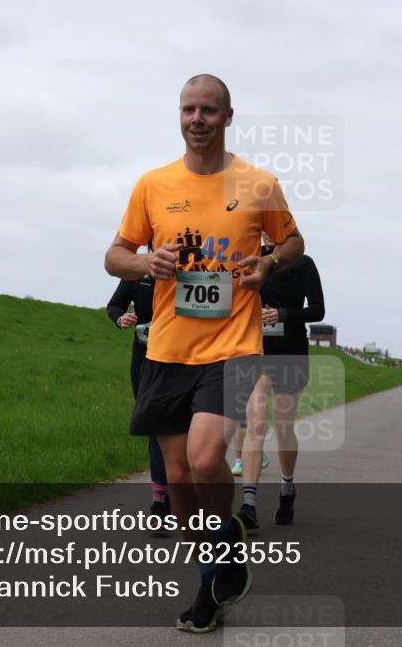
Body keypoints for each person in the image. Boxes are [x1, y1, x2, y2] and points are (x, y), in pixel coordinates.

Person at [104, 74, 304, 634]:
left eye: (209, 111)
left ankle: (228, 544)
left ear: (228, 116)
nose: (198, 119)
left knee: (204, 453)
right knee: (179, 480)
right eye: (189, 109)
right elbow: (114, 255)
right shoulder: (153, 185)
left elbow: (292, 241)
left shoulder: (258, 184)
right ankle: (212, 580)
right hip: (167, 348)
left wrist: (269, 263)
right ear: (179, 115)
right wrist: (146, 264)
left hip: (234, 345)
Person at [239, 235, 325, 528]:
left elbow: (317, 309)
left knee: (284, 426)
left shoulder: (303, 263)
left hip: (291, 353)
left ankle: (287, 488)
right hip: (257, 352)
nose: (267, 233)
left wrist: (283, 314)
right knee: (256, 423)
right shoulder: (251, 257)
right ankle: (248, 505)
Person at [106, 268, 171, 523]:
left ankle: (176, 491)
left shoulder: (189, 270)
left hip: (181, 359)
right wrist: (121, 318)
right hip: (143, 359)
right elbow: (114, 305)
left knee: (177, 429)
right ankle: (160, 500)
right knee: (155, 427)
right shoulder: (137, 272)